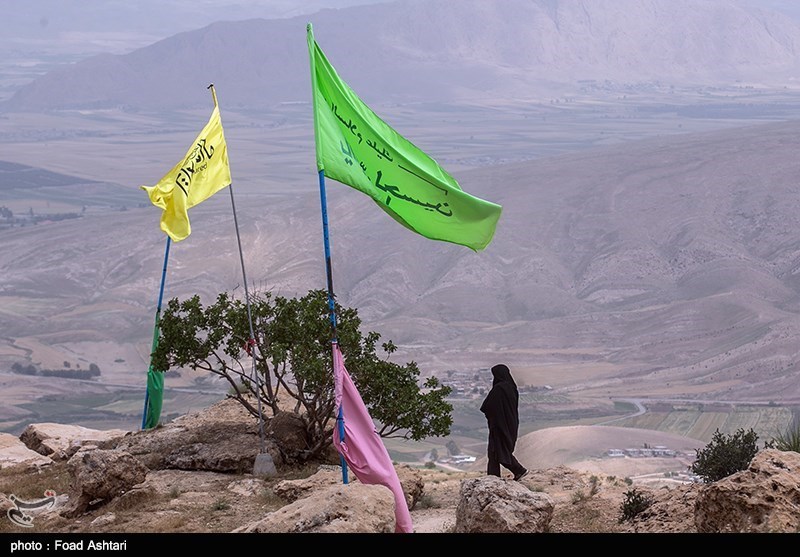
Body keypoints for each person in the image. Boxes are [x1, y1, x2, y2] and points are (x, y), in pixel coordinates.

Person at [480, 363, 528, 480]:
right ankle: (493, 477)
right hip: (510, 424)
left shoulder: (499, 389)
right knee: (498, 451)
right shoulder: (512, 388)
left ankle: (518, 470)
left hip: (499, 426)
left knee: (497, 451)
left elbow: (487, 406)